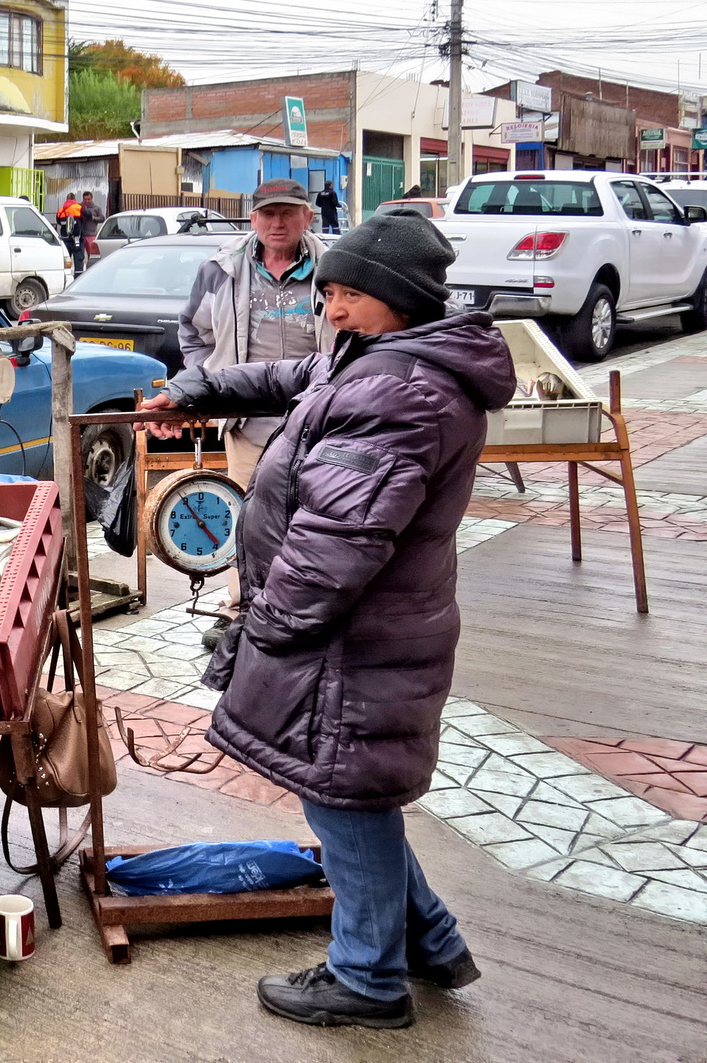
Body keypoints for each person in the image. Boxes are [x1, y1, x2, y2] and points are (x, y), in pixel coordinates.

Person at [138, 209, 517, 1029]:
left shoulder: (401, 393)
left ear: (401, 300)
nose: (331, 311)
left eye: (348, 296)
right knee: (351, 793)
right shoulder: (377, 361)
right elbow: (286, 380)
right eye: (328, 292)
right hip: (364, 631)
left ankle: (367, 981)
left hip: (349, 637)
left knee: (346, 803)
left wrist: (264, 628)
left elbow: (337, 544)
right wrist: (192, 388)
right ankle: (430, 942)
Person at [175, 177, 337, 650]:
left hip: (317, 420)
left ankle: (306, 613)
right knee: (247, 519)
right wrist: (208, 384)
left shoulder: (337, 266)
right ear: (254, 219)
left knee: (313, 518)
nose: (278, 222)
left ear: (308, 216)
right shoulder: (219, 269)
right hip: (246, 422)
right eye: (268, 213)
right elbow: (193, 331)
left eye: (289, 212)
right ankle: (239, 609)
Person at [56, 192, 84, 274]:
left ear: (67, 199)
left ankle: (66, 275)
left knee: (66, 259)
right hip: (77, 239)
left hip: (65, 239)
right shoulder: (79, 207)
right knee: (78, 259)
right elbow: (88, 215)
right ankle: (78, 277)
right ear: (74, 199)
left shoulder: (61, 209)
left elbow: (58, 221)